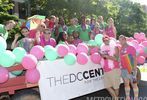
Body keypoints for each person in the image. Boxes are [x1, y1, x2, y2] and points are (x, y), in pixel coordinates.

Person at [100, 35, 121, 100]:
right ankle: (116, 98)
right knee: (107, 86)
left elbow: (117, 59)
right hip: (106, 69)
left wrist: (107, 56)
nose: (105, 41)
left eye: (106, 39)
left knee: (115, 87)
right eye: (104, 40)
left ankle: (115, 98)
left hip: (114, 69)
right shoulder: (102, 47)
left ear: (109, 39)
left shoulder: (115, 47)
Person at [119, 35, 139, 100]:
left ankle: (136, 98)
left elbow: (135, 59)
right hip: (123, 69)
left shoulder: (131, 48)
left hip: (131, 69)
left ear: (125, 40)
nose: (120, 42)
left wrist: (134, 69)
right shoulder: (121, 48)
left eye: (122, 40)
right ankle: (127, 97)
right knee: (126, 84)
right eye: (119, 40)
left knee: (134, 84)